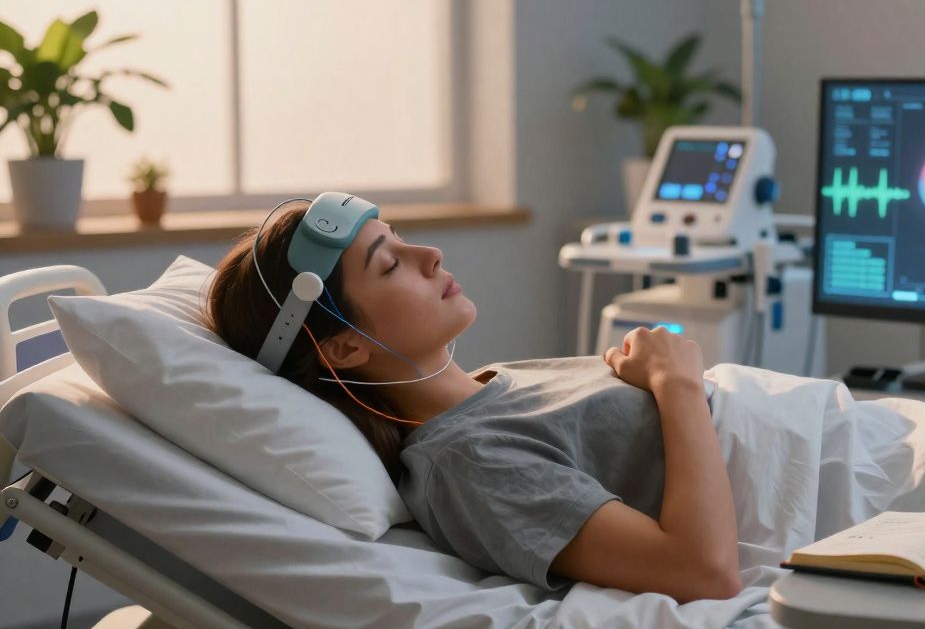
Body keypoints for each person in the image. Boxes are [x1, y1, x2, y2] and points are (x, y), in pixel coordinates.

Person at [207, 203, 740, 603]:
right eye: (389, 265)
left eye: (400, 238)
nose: (430, 254)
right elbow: (700, 571)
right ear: (344, 348)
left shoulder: (497, 384)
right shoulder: (468, 461)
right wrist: (678, 384)